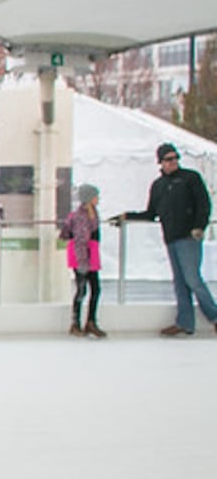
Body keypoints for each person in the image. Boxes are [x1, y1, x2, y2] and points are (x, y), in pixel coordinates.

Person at [114, 142, 216, 336]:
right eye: (168, 159)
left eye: (175, 158)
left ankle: (214, 316)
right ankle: (185, 322)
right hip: (171, 237)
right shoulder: (159, 186)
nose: (173, 162)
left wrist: (198, 227)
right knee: (179, 281)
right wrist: (128, 216)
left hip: (188, 237)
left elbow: (203, 204)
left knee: (193, 278)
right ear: (160, 162)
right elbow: (151, 212)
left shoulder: (190, 178)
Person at [63, 184, 106, 339]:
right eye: (95, 196)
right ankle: (76, 323)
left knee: (95, 288)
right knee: (82, 289)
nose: (98, 199)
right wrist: (83, 263)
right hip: (82, 255)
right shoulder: (80, 216)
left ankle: (90, 322)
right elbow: (81, 240)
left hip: (91, 254)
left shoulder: (92, 213)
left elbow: (94, 229)